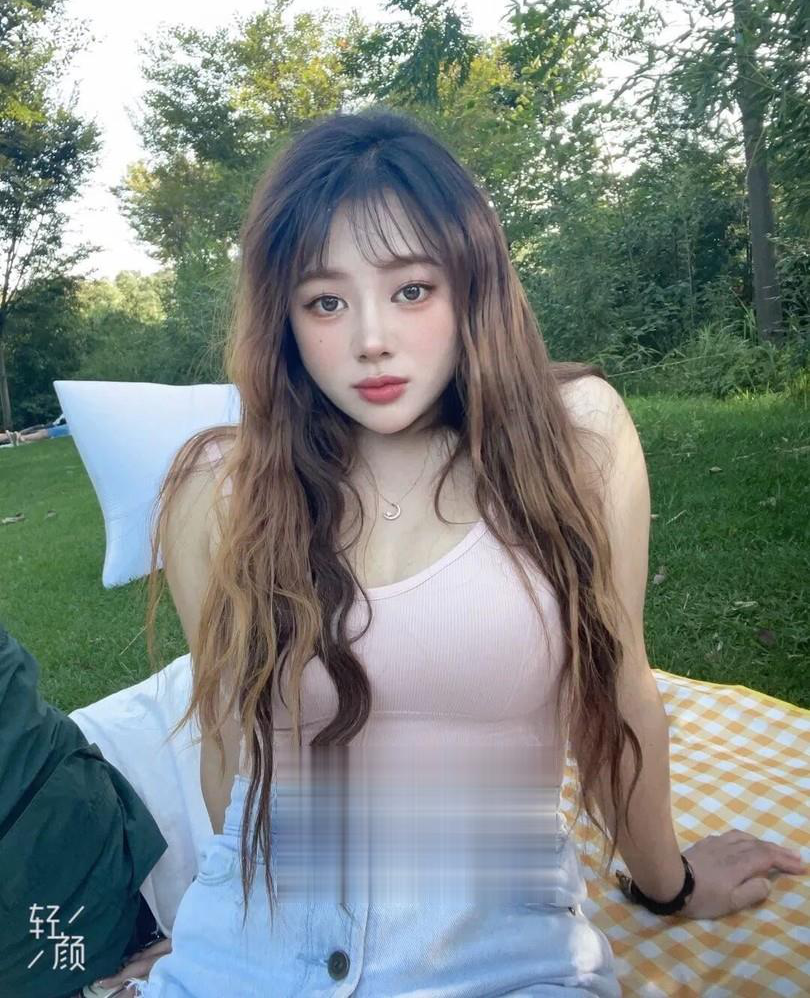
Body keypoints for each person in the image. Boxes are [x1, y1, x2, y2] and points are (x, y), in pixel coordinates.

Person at [107, 108, 804, 997]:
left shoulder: (576, 443)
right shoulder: (220, 491)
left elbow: (620, 693)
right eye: (326, 302)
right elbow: (230, 749)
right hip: (247, 957)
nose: (371, 339)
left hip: (495, 959)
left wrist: (670, 884)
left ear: (472, 284)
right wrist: (214, 917)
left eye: (411, 290)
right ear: (285, 320)